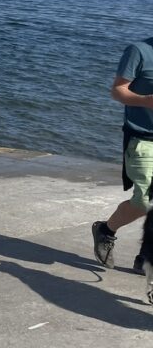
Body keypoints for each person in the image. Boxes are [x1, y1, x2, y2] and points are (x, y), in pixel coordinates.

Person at [92, 38, 153, 274]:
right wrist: (146, 101)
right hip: (142, 138)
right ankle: (106, 231)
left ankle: (146, 257)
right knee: (145, 201)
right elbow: (118, 90)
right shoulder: (139, 51)